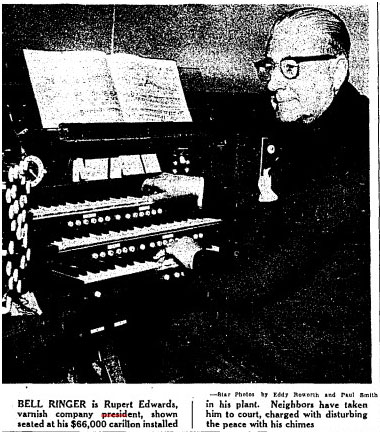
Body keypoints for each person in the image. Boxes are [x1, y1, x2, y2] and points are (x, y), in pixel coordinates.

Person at [152, 7, 370, 383]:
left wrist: (194, 256)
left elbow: (252, 282)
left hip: (320, 342)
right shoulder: (334, 123)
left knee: (170, 319)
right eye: (270, 67)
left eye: (291, 67)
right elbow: (287, 202)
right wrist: (201, 187)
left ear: (336, 71)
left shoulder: (353, 152)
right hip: (308, 307)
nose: (271, 84)